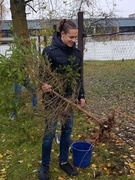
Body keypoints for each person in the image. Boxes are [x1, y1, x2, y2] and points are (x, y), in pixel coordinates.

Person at [38, 19, 85, 180]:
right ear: (62, 34)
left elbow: (79, 78)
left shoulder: (77, 54)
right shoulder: (49, 51)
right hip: (52, 100)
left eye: (75, 37)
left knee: (67, 132)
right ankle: (44, 165)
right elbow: (41, 75)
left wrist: (81, 95)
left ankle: (64, 162)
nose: (73, 41)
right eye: (71, 37)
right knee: (49, 133)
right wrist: (43, 85)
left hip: (69, 100)